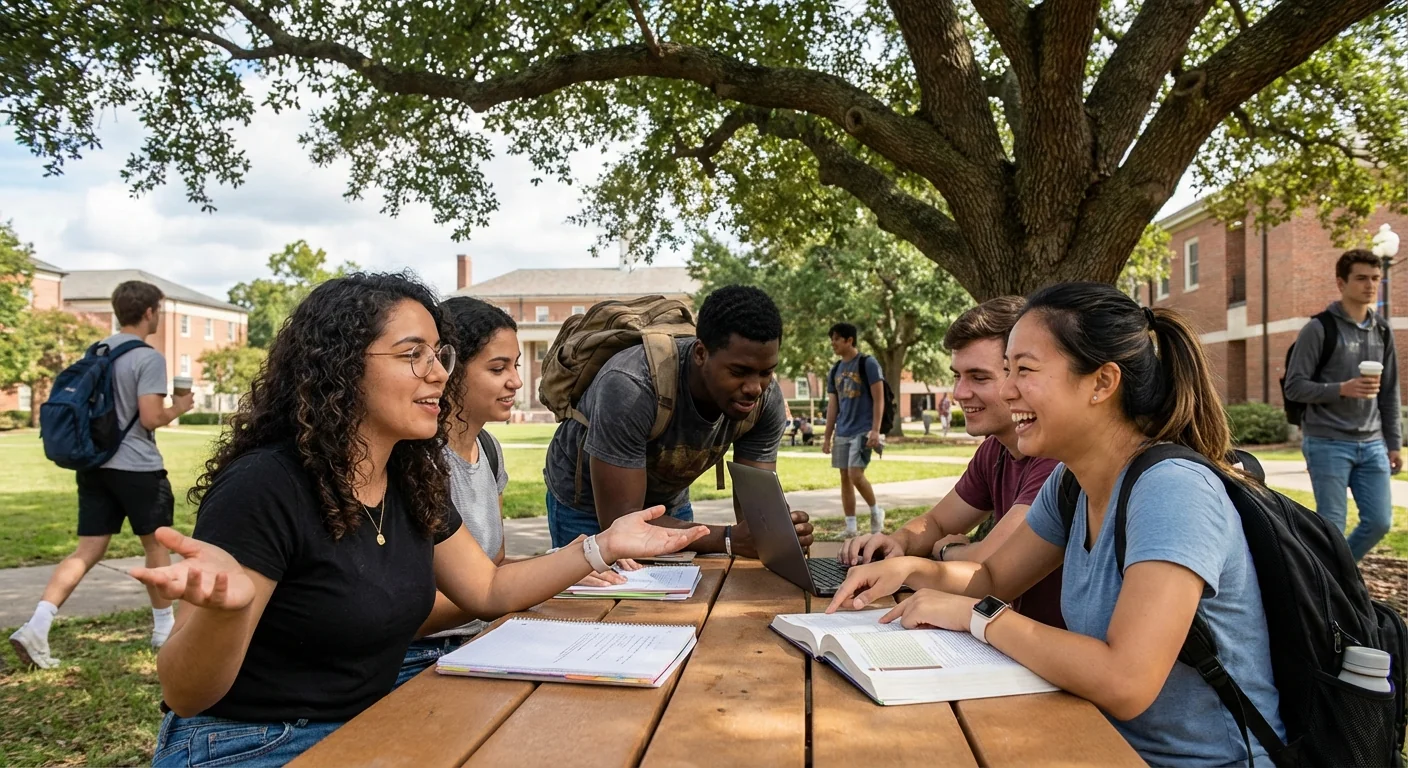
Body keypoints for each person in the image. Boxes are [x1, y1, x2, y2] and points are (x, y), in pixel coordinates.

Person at [133, 273, 707, 766]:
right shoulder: (266, 486)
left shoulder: (409, 475)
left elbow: (486, 587)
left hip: (372, 722)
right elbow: (185, 693)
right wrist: (223, 614)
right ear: (339, 368)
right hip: (254, 741)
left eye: (441, 355)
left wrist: (601, 546)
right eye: (413, 355)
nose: (439, 374)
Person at [828, 282, 1283, 766]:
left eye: (1023, 370)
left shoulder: (1173, 489)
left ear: (1103, 383)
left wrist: (976, 617)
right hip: (1094, 737)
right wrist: (908, 571)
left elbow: (1126, 682)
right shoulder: (1072, 482)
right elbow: (995, 577)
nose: (1006, 390)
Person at [838, 297, 1064, 628]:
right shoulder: (995, 450)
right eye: (957, 375)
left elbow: (990, 565)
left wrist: (945, 553)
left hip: (1047, 655)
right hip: (1007, 641)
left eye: (979, 377)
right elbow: (939, 522)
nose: (959, 392)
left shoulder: (1055, 456)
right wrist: (897, 543)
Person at [543, 285, 812, 557]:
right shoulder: (632, 385)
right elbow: (621, 524)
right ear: (700, 353)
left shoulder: (765, 400)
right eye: (739, 371)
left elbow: (757, 511)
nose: (755, 387)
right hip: (588, 507)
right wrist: (727, 538)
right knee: (597, 598)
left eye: (766, 372)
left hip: (668, 505)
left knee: (680, 594)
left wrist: (777, 535)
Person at [9, 281, 195, 669]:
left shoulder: (97, 351)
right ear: (149, 312)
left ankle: (37, 625)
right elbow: (149, 417)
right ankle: (165, 632)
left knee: (87, 550)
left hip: (95, 466)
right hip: (138, 468)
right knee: (156, 546)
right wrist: (179, 407)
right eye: (157, 310)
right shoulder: (148, 358)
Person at [1284, 248, 1401, 561]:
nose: (1370, 285)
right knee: (1332, 526)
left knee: (1379, 522)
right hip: (1327, 441)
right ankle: (1333, 589)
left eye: (1376, 278)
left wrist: (1394, 443)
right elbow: (1295, 387)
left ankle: (1334, 576)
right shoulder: (1319, 329)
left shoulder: (1382, 330)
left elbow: (1389, 392)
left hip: (1373, 442)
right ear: (1341, 282)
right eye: (1361, 278)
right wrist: (1342, 389)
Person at [822, 322, 885, 536]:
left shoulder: (868, 363)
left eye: (837, 339)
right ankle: (851, 527)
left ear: (850, 340)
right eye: (832, 338)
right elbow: (833, 406)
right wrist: (827, 436)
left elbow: (879, 398)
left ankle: (876, 511)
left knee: (855, 474)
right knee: (844, 477)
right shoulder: (835, 371)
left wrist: (875, 430)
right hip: (843, 431)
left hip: (863, 430)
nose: (833, 343)